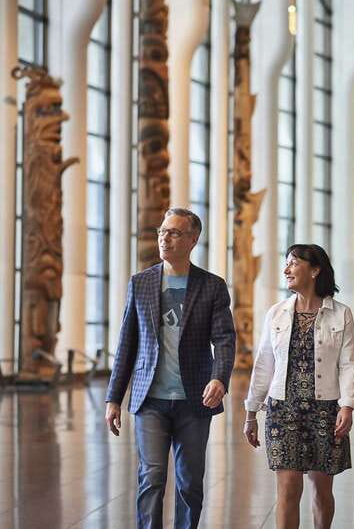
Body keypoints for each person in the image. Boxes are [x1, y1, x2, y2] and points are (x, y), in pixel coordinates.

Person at [104, 208, 236, 529]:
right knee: (151, 477)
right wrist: (113, 398)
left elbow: (224, 338)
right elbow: (127, 344)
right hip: (150, 399)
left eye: (175, 232)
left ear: (193, 239)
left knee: (189, 482)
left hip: (195, 399)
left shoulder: (211, 286)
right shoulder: (141, 283)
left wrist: (219, 378)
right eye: (162, 231)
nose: (165, 237)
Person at [243, 244, 354, 529]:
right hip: (282, 409)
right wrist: (251, 413)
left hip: (326, 410)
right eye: (286, 264)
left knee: (322, 490)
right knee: (287, 489)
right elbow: (263, 365)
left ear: (315, 270)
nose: (286, 270)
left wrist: (347, 405)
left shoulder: (340, 314)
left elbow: (349, 363)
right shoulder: (277, 313)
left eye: (293, 263)